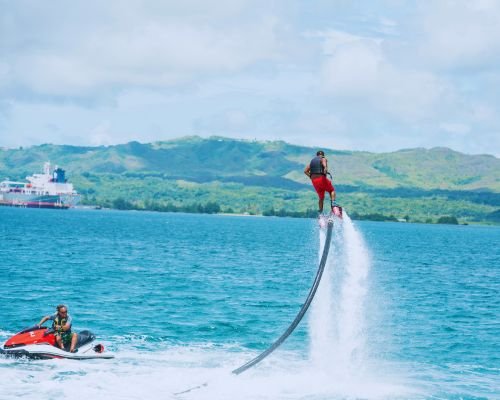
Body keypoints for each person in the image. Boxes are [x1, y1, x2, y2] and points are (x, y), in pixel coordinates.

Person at [304, 150, 337, 215]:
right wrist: (325, 167)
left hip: (314, 182)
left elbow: (305, 171)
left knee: (321, 198)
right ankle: (334, 206)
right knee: (331, 190)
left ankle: (320, 213)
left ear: (317, 155)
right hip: (321, 179)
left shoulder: (312, 162)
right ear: (322, 155)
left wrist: (311, 177)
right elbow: (324, 162)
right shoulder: (323, 158)